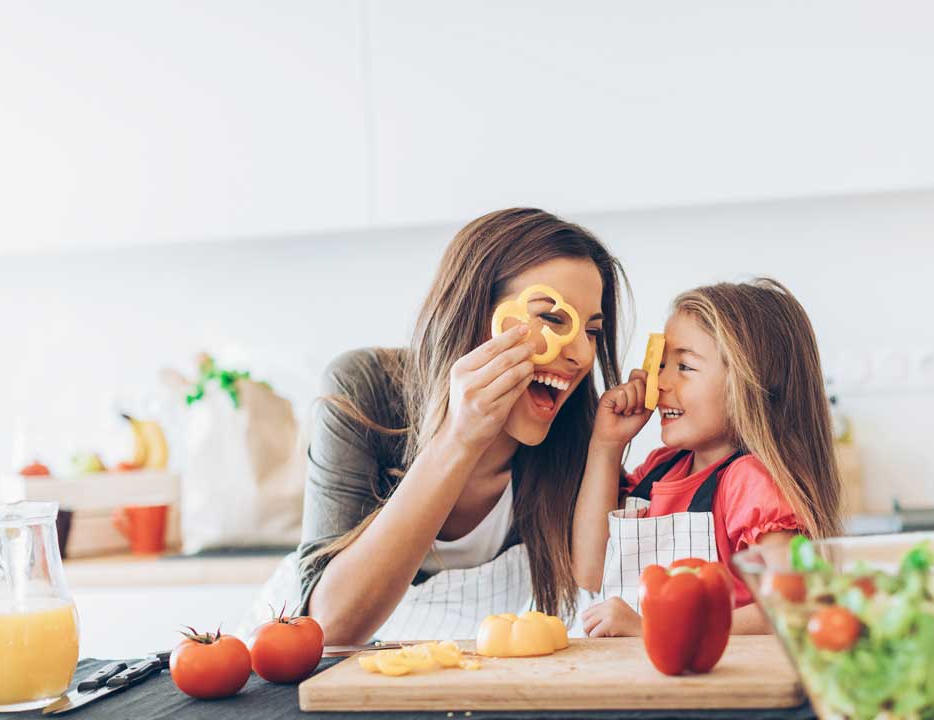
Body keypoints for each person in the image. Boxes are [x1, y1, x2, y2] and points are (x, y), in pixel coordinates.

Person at [297, 208, 629, 645]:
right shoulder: (364, 389)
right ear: (474, 312)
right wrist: (459, 438)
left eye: (592, 331)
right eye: (551, 319)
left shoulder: (577, 434)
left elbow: (595, 584)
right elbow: (330, 629)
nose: (582, 356)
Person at [572, 278, 842, 637]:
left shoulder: (750, 482)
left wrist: (656, 627)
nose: (660, 383)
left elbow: (794, 605)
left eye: (684, 367)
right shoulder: (659, 470)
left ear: (747, 384)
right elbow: (591, 572)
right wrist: (606, 445)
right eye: (662, 365)